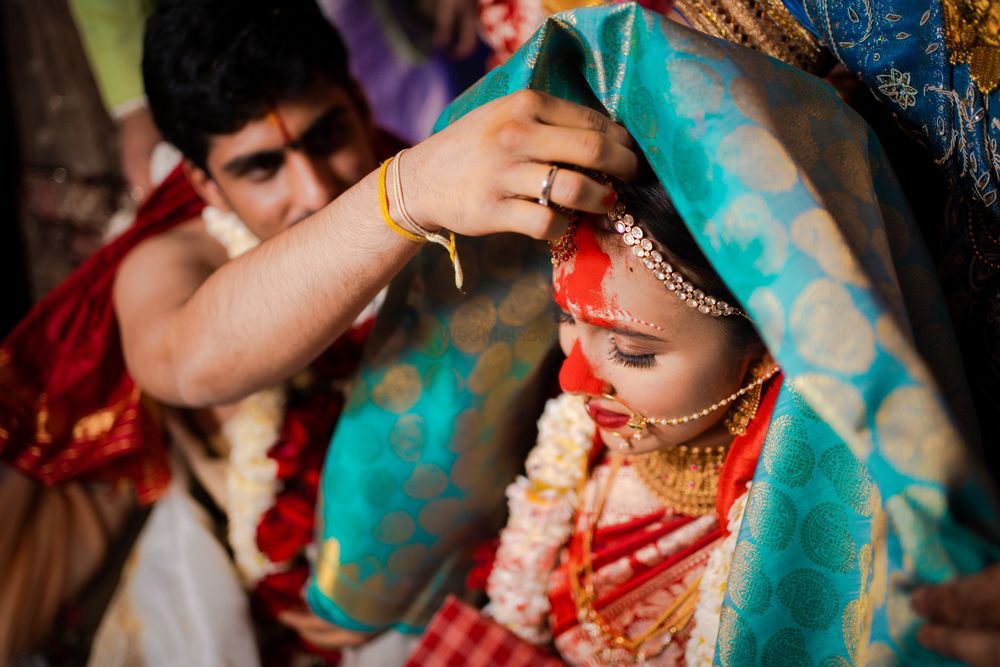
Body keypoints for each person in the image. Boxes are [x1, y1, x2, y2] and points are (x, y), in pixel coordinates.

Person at [0, 0, 638, 662]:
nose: (312, 189)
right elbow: (184, 364)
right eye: (260, 167)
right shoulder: (175, 259)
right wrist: (404, 195)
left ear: (361, 104)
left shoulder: (468, 187)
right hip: (243, 598)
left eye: (327, 135)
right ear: (203, 183)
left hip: (469, 578)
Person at [418, 4, 1000, 664]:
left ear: (763, 349)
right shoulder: (569, 443)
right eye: (565, 318)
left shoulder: (810, 539)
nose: (573, 377)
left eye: (635, 350)